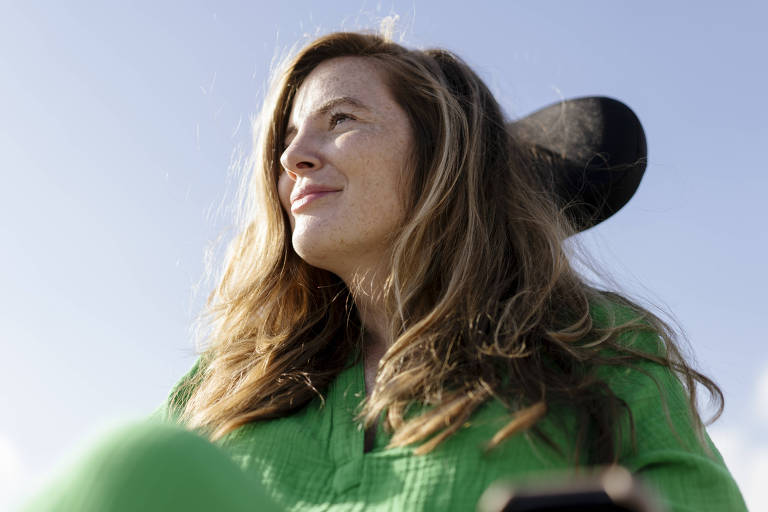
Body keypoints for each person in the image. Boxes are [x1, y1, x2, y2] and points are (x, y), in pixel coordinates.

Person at [26, 31, 747, 511]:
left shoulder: (593, 343)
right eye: (287, 138)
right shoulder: (221, 388)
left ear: (444, 161)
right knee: (136, 462)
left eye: (341, 120)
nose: (293, 156)